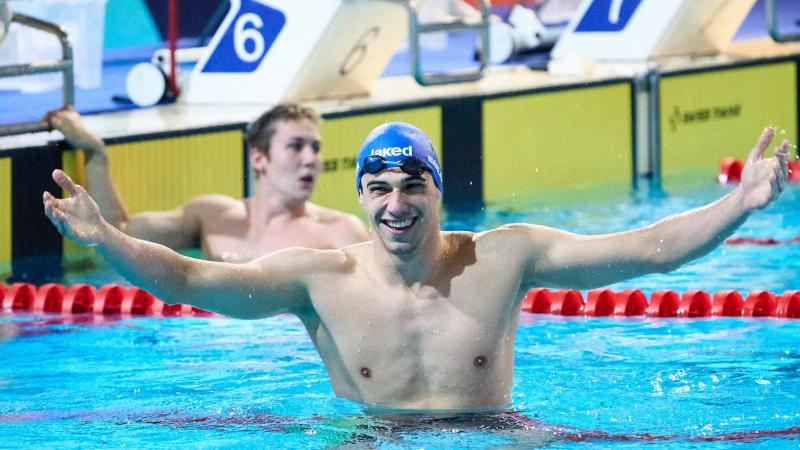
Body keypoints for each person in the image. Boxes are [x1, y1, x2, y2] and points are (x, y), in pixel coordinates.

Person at [43, 122, 790, 413]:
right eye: (379, 188)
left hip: (498, 434)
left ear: (439, 189)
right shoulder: (319, 278)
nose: (396, 204)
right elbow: (189, 280)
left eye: (412, 186)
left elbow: (648, 249)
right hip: (375, 441)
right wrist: (105, 237)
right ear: (361, 197)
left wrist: (743, 204)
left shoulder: (507, 256)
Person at [44, 104, 369, 262]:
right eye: (296, 146)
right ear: (258, 158)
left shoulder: (340, 232)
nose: (311, 158)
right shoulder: (212, 217)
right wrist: (95, 153)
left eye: (315, 147)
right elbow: (121, 233)